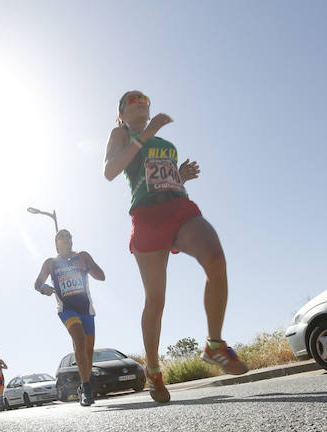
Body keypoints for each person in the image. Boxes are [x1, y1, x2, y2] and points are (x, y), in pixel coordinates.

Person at [103, 90, 249, 403]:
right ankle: (154, 370)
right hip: (147, 217)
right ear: (121, 114)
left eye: (145, 101)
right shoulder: (120, 134)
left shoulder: (166, 145)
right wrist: (147, 134)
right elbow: (110, 171)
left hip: (179, 208)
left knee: (216, 260)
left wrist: (180, 177)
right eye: (132, 101)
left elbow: (159, 179)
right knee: (156, 301)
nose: (140, 103)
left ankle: (214, 345)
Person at [34, 229, 105, 406]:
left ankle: (83, 385)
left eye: (68, 236)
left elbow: (101, 276)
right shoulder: (50, 263)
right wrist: (45, 289)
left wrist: (86, 267)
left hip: (85, 307)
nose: (66, 239)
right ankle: (87, 388)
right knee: (79, 339)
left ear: (72, 241)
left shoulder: (82, 256)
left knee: (88, 350)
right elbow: (37, 283)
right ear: (56, 242)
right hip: (66, 308)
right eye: (62, 236)